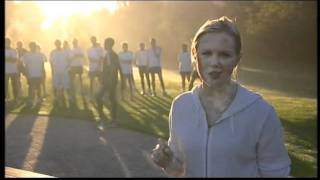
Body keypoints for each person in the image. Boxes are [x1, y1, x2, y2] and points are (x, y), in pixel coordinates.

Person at [150, 16, 291, 177]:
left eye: (225, 55)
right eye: (207, 53)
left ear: (238, 59)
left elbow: (276, 173)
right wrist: (167, 162)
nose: (215, 62)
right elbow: (180, 170)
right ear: (195, 55)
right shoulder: (181, 105)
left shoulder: (261, 112)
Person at [95, 37, 123, 128]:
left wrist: (110, 80)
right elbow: (106, 68)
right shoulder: (107, 54)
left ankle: (111, 120)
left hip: (111, 81)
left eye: (105, 43)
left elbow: (116, 68)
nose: (104, 45)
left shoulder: (113, 55)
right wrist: (102, 77)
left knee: (109, 98)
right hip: (106, 80)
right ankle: (105, 118)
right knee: (106, 98)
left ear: (109, 44)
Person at [49, 39, 72, 107]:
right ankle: (56, 97)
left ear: (60, 44)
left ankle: (69, 97)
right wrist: (52, 70)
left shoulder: (65, 51)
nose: (58, 45)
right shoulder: (52, 52)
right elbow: (51, 61)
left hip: (64, 71)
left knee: (66, 85)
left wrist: (68, 68)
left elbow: (69, 60)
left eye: (59, 43)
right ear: (55, 44)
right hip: (56, 71)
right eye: (56, 44)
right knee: (56, 85)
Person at [87, 36, 104, 100]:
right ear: (91, 41)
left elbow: (102, 57)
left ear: (96, 40)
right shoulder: (89, 49)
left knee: (100, 82)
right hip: (92, 68)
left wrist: (99, 61)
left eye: (94, 40)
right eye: (92, 40)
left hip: (99, 68)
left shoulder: (100, 49)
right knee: (92, 81)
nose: (93, 41)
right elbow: (90, 59)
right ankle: (91, 95)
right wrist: (97, 61)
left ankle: (100, 95)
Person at [5, 38, 19, 103]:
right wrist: (10, 59)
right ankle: (6, 99)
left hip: (13, 70)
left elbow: (15, 60)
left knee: (14, 85)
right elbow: (12, 59)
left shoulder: (14, 50)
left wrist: (7, 59)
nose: (7, 43)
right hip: (5, 71)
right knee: (5, 85)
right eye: (6, 42)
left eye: (8, 42)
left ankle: (15, 98)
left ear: (10, 43)